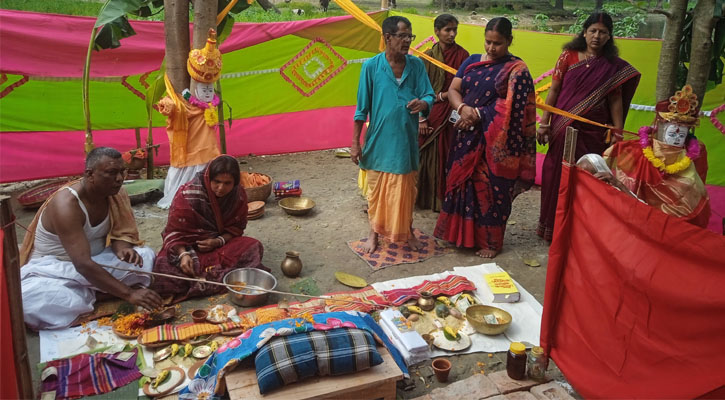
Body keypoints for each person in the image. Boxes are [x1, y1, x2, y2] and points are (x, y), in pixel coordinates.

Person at [19, 147, 160, 330]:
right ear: (90, 174)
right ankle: (102, 291)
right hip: (54, 269)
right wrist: (129, 294)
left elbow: (121, 232)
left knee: (146, 257)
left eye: (121, 172)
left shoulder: (116, 192)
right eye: (111, 173)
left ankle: (92, 292)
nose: (119, 178)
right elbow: (82, 264)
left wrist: (122, 248)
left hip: (98, 261)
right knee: (33, 302)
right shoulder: (67, 205)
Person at [433, 17, 536, 258]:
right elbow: (454, 90)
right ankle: (459, 235)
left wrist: (479, 113)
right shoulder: (471, 61)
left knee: (489, 189)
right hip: (464, 135)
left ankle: (490, 242)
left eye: (497, 44)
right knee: (461, 184)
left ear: (509, 41)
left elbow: (515, 109)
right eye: (488, 42)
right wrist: (462, 109)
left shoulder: (517, 70)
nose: (491, 48)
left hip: (494, 142)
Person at [536, 12, 641, 241]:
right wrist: (544, 123)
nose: (597, 36)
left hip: (593, 132)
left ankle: (580, 228)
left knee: (587, 177)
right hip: (562, 128)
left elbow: (615, 100)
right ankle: (551, 227)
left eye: (603, 32)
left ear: (609, 36)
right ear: (584, 32)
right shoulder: (568, 56)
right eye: (593, 30)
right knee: (556, 173)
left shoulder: (612, 66)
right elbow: (553, 90)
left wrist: (617, 131)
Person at [352, 15, 435, 254]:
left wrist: (424, 104)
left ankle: (407, 233)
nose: (408, 41)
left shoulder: (417, 65)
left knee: (406, 191)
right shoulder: (371, 67)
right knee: (377, 192)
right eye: (403, 36)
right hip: (378, 140)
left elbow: (428, 94)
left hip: (406, 141)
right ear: (388, 38)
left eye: (410, 36)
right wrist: (355, 144)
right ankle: (373, 234)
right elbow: (361, 110)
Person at [151, 155, 269, 302]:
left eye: (227, 183)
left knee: (254, 247)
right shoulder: (188, 194)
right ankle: (225, 278)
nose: (221, 188)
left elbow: (236, 229)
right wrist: (183, 255)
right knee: (162, 267)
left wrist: (217, 241)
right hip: (189, 249)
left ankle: (202, 280)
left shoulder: (237, 195)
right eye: (217, 182)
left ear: (235, 183)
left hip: (220, 247)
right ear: (209, 178)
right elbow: (174, 233)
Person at [603, 85, 711, 227]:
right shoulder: (637, 150)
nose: (677, 138)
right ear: (661, 129)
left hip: (674, 222)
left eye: (682, 134)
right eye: (672, 134)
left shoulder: (695, 153)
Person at [156, 28, 222, 209]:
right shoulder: (184, 106)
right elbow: (169, 109)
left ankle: (207, 195)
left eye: (210, 89)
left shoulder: (211, 105)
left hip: (208, 148)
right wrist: (170, 105)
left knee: (206, 166)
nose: (208, 92)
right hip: (190, 147)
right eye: (204, 89)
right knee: (191, 168)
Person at [417, 14, 470, 212]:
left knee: (448, 153)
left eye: (454, 29)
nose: (452, 34)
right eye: (447, 30)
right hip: (431, 110)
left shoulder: (464, 56)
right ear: (437, 32)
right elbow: (418, 89)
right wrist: (421, 118)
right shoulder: (427, 57)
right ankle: (423, 198)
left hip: (454, 111)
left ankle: (444, 201)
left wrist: (454, 100)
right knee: (425, 152)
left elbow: (467, 85)